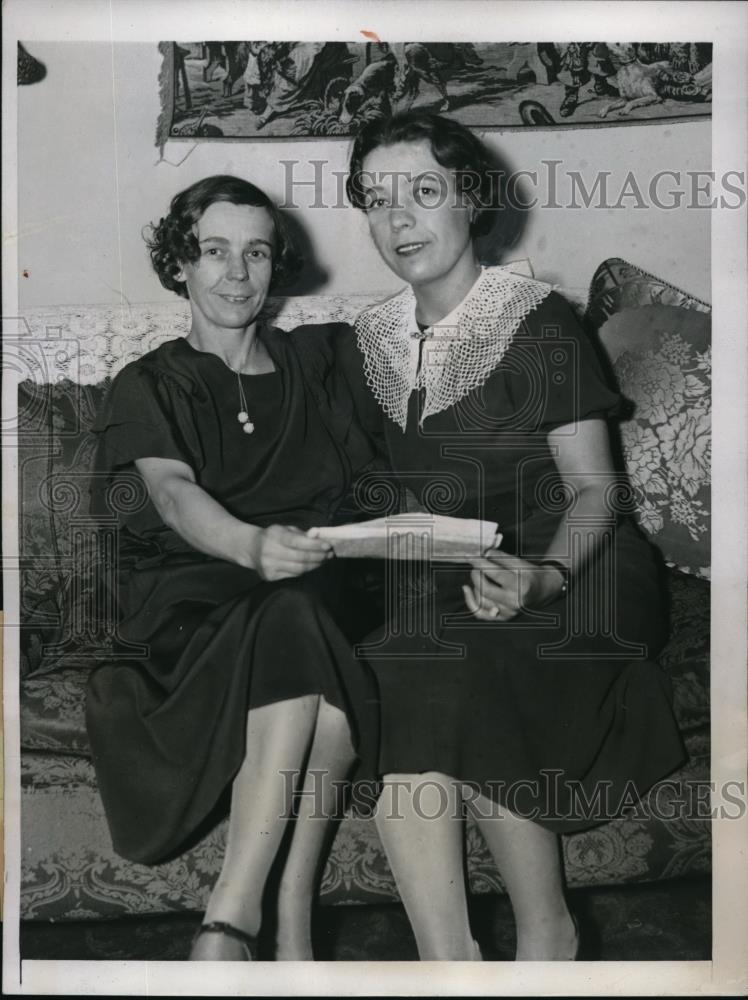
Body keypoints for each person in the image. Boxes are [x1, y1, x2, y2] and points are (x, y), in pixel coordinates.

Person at [345, 112, 686, 960]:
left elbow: (598, 491)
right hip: (461, 577)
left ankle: (546, 934)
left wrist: (545, 579)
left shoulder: (536, 322)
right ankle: (450, 963)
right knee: (404, 663)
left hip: (584, 566)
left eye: (424, 192)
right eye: (378, 199)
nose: (399, 220)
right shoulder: (372, 341)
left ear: (472, 204)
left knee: (464, 655)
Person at [85, 175, 382, 961]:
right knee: (300, 624)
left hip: (319, 585)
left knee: (314, 614)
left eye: (256, 253)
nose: (237, 273)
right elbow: (174, 495)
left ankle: (249, 927)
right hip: (197, 605)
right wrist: (251, 546)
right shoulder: (151, 382)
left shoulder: (321, 363)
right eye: (213, 251)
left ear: (276, 265)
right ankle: (254, 923)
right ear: (179, 263)